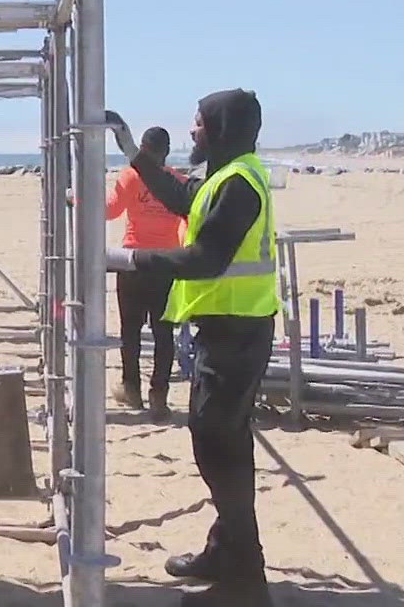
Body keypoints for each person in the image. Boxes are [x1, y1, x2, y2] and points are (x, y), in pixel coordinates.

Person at [105, 91, 279, 606]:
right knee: (221, 444)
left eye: (199, 124)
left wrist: (125, 261)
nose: (192, 132)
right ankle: (228, 552)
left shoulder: (241, 184)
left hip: (237, 332)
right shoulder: (225, 176)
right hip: (228, 330)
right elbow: (182, 197)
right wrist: (130, 147)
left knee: (217, 446)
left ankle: (243, 575)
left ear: (220, 129)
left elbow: (206, 258)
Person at [106, 125, 187, 421]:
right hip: (165, 263)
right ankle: (159, 394)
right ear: (166, 152)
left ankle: (131, 388)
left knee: (131, 331)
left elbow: (110, 210)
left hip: (133, 261)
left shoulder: (131, 177)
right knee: (164, 333)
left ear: (141, 149)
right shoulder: (176, 182)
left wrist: (75, 199)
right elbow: (190, 221)